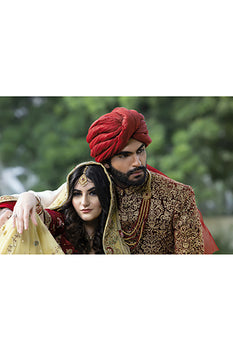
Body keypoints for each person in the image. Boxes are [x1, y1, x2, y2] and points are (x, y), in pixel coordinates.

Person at [0, 107, 218, 254]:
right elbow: (52, 198)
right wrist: (28, 197)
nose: (138, 162)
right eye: (125, 155)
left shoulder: (178, 197)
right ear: (105, 163)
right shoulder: (96, 184)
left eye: (140, 151)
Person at [0, 162, 129, 254]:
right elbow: (38, 217)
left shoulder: (124, 231)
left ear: (106, 196)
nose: (84, 202)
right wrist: (29, 197)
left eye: (93, 193)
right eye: (77, 194)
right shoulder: (62, 223)